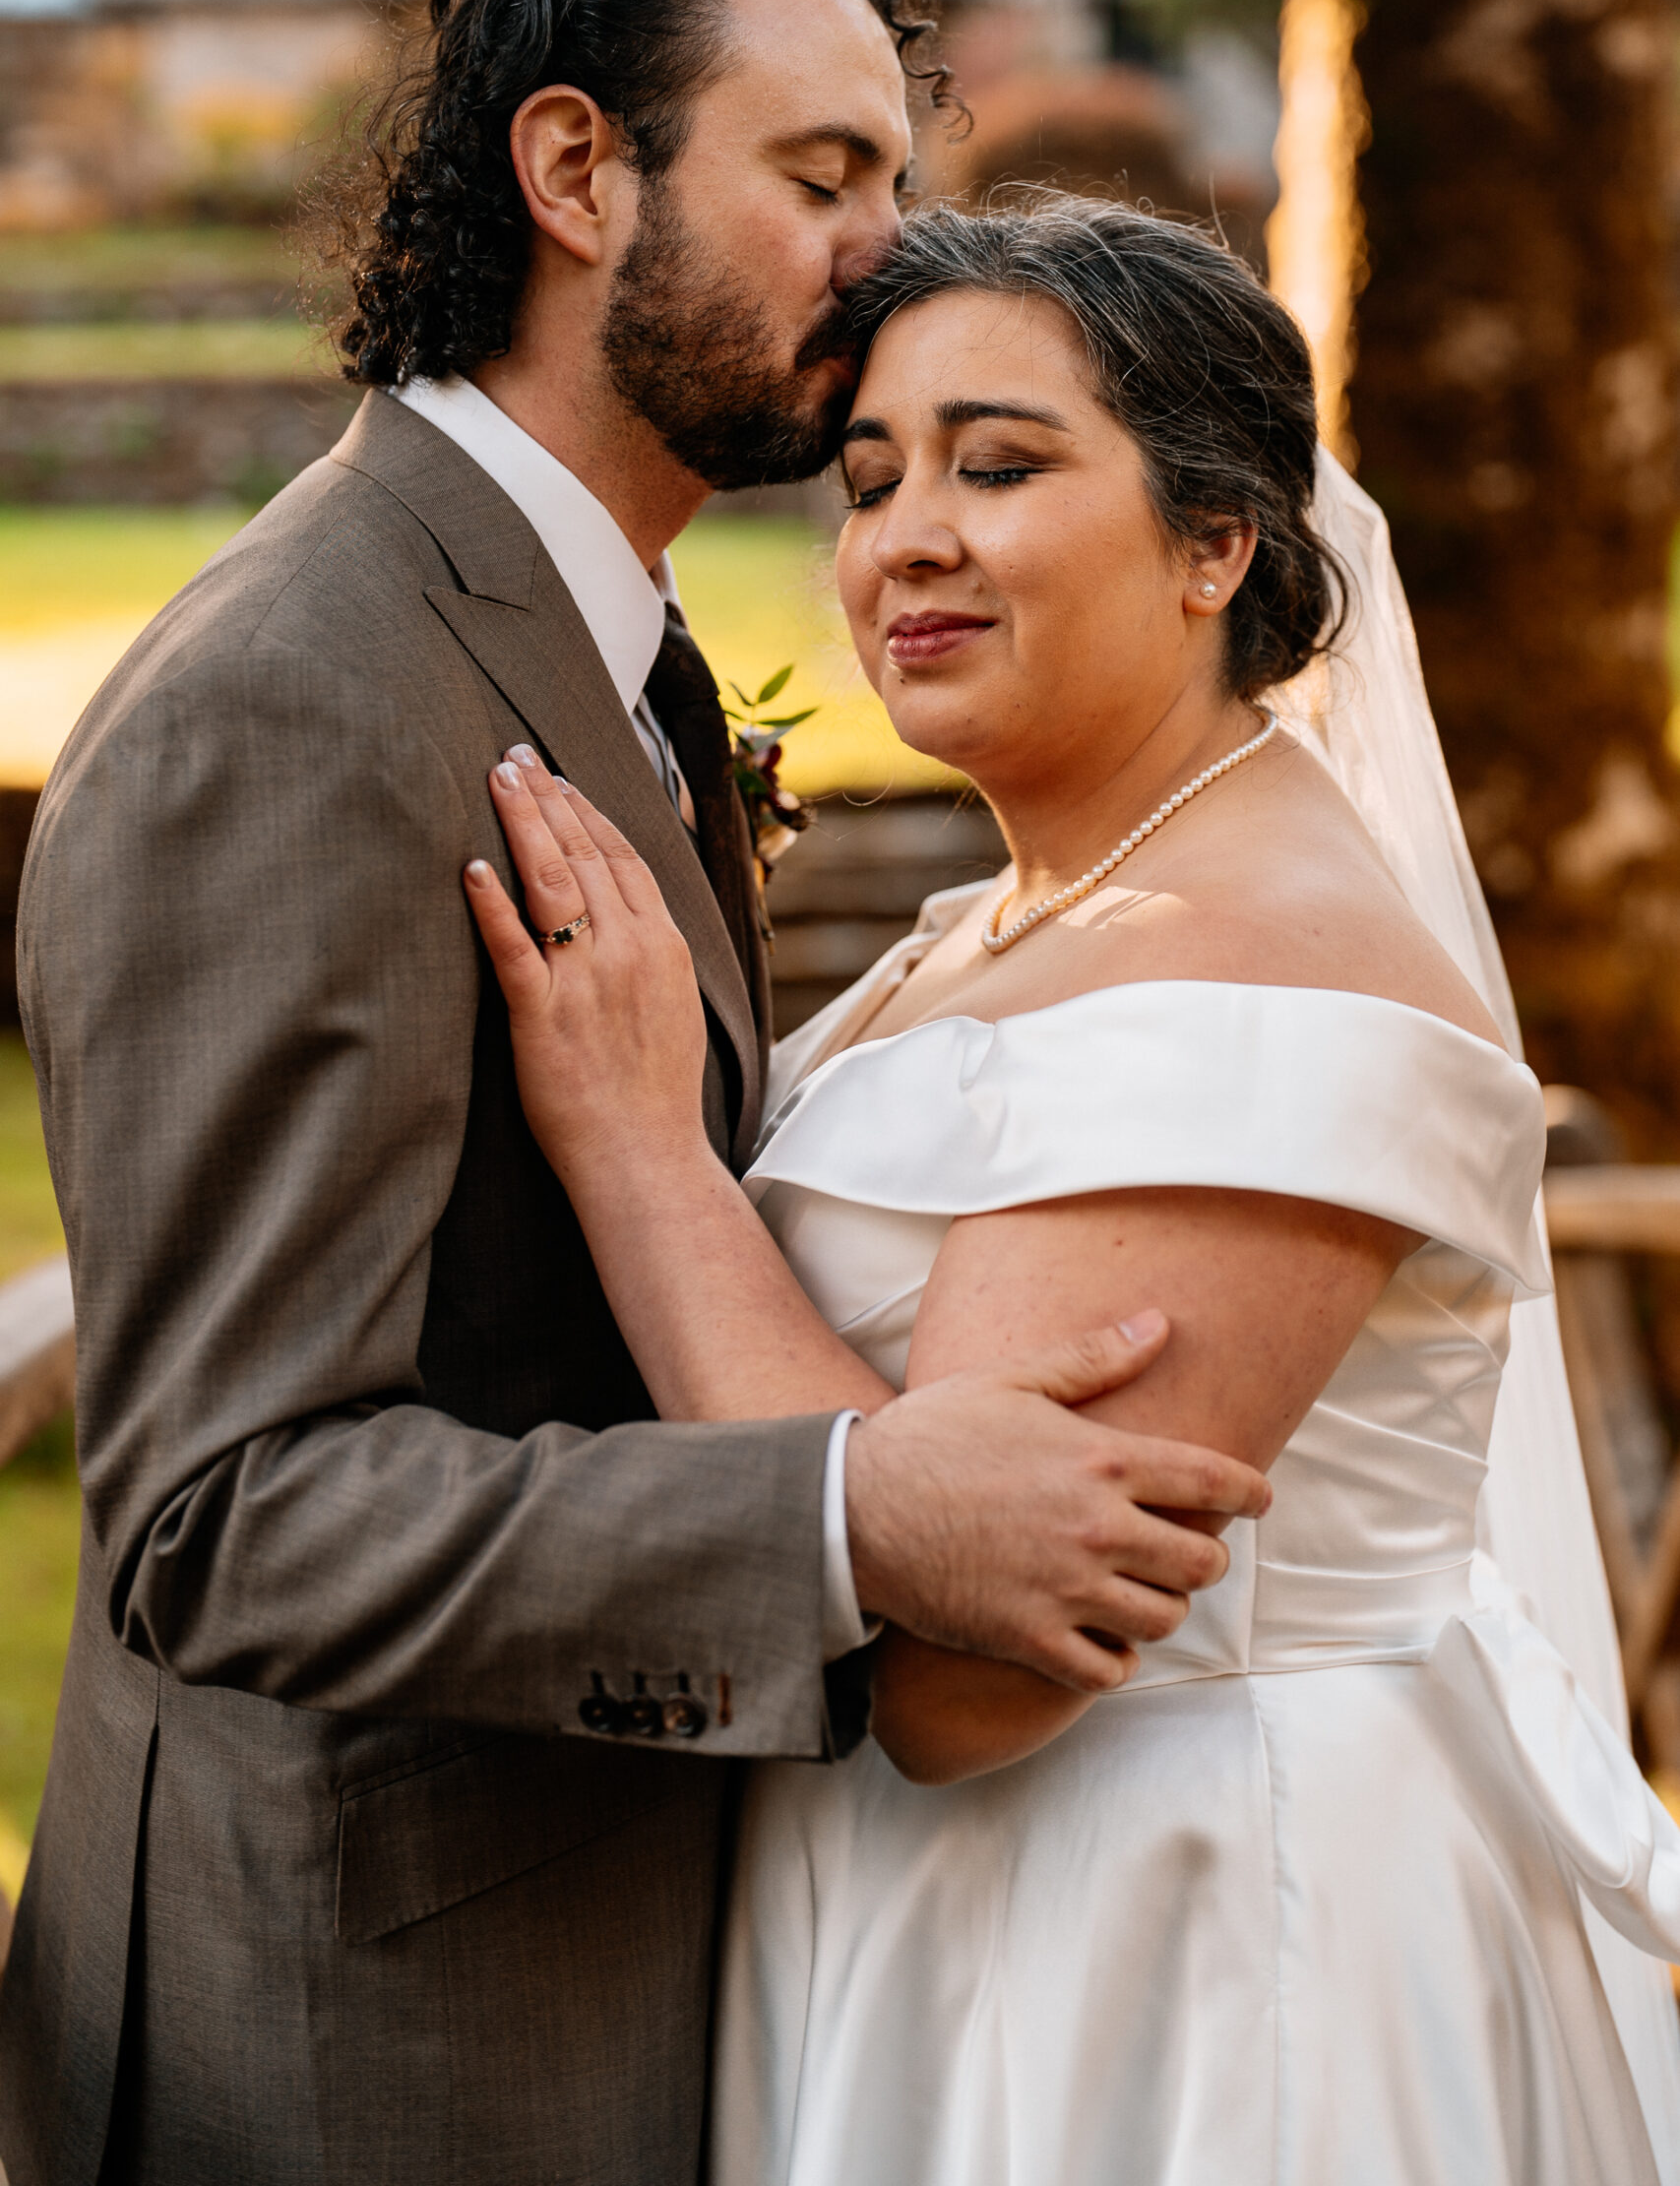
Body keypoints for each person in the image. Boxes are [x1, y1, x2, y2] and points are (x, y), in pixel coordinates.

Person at [0, 0, 1275, 2186]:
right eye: (821, 180)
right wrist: (845, 1507)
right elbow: (224, 1511)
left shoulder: (590, 630)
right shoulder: (292, 702)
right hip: (373, 2033)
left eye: (897, 180)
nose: (891, 257)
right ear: (577, 175)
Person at [469, 197, 1680, 2185]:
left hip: (1160, 1953)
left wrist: (631, 1150)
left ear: (1219, 542)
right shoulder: (1009, 921)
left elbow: (960, 1678)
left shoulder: (1248, 974)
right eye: (868, 479)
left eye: (997, 463)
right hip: (931, 1912)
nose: (903, 537)